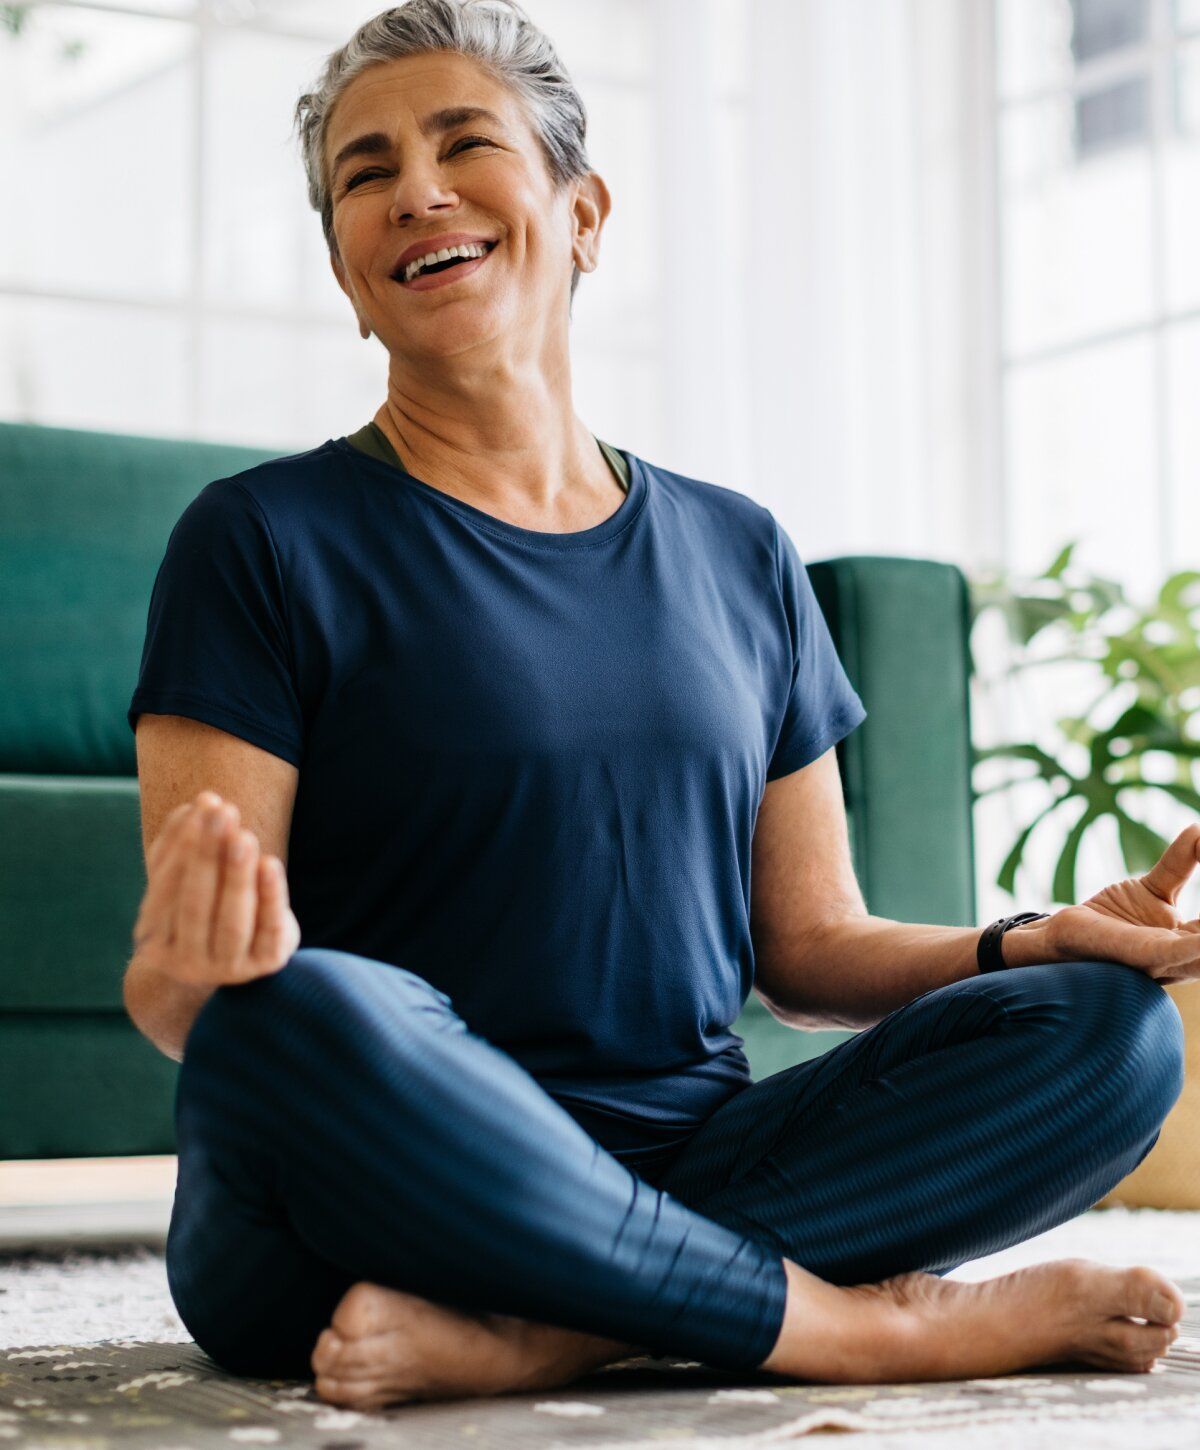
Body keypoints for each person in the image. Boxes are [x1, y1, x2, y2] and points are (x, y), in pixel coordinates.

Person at [123, 0, 1193, 1412]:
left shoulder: (738, 548)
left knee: (1112, 1032)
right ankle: (867, 1330)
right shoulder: (257, 541)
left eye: (463, 142)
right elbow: (192, 1000)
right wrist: (184, 975)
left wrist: (1023, 939)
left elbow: (806, 948)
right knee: (299, 1007)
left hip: (685, 1155)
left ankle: (557, 1331)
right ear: (346, 264)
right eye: (366, 173)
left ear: (583, 211)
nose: (417, 190)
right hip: (368, 1194)